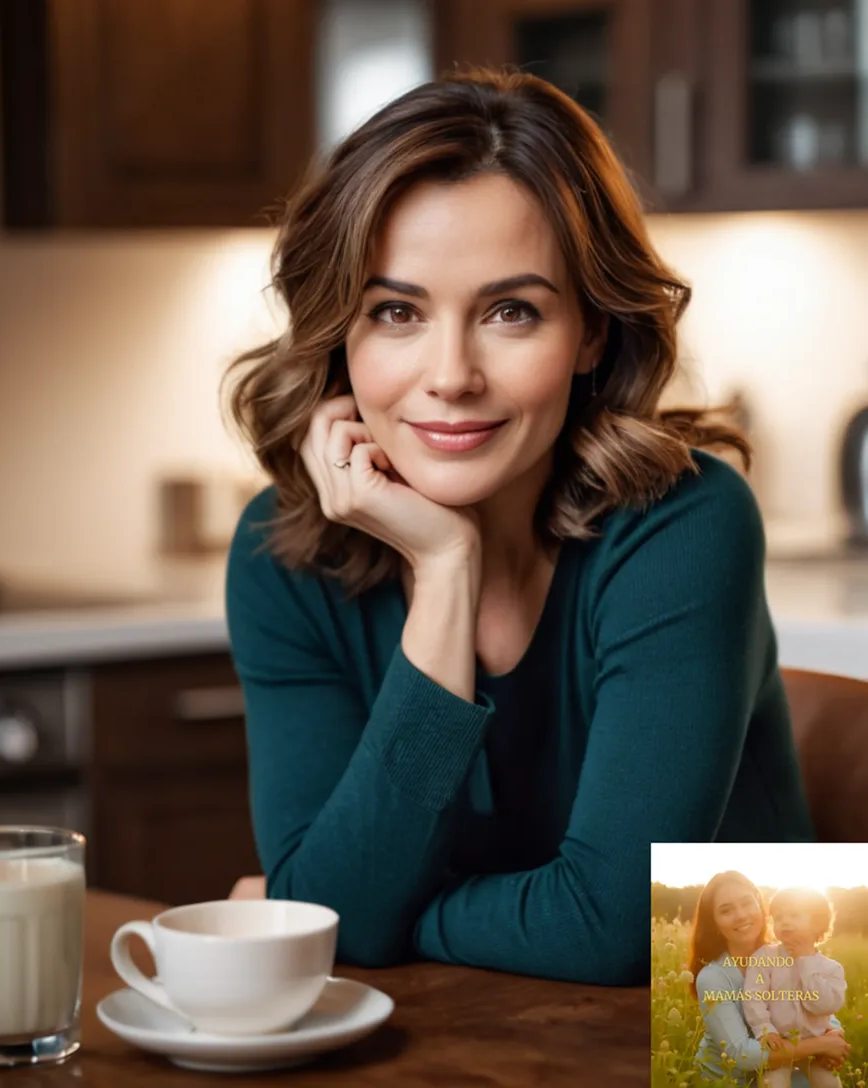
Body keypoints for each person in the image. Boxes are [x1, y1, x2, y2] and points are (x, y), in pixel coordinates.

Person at [222, 65, 815, 984]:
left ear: (591, 333)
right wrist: (447, 568)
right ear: (342, 332)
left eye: (511, 311)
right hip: (467, 1053)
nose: (451, 373)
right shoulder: (281, 553)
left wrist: (370, 916)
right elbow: (328, 922)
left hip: (737, 1052)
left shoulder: (687, 523)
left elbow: (618, 929)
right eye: (396, 312)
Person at [689, 872, 849, 1084]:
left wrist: (833, 1032)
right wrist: (821, 1044)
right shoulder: (712, 978)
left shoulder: (787, 954)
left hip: (782, 1064)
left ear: (760, 906)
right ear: (715, 923)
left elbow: (811, 1004)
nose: (741, 915)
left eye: (747, 903)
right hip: (728, 1080)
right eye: (726, 910)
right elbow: (740, 1054)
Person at [742, 887, 846, 1087]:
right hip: (779, 1044)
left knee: (830, 1083)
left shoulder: (832, 969)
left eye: (794, 915)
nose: (785, 922)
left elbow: (824, 1006)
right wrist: (765, 1030)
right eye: (779, 917)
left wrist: (805, 961)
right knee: (772, 1083)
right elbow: (753, 997)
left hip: (816, 1049)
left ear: (817, 922)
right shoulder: (765, 957)